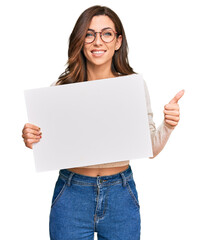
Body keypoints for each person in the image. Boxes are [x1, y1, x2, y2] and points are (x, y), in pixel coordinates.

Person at [22, 5, 184, 240]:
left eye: (106, 33)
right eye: (89, 34)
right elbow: (45, 144)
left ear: (118, 41)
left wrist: (168, 125)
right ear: (81, 40)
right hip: (71, 195)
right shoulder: (61, 90)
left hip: (121, 193)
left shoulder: (133, 86)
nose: (98, 41)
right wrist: (31, 137)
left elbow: (150, 149)